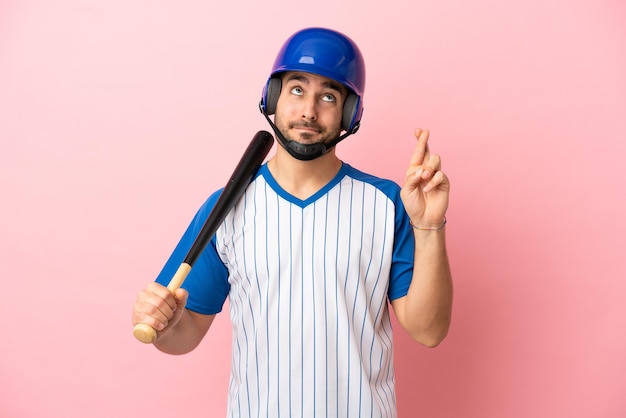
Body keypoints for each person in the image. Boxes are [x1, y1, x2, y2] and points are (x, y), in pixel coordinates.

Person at [132, 27, 453, 417]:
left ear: (350, 114)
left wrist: (429, 226)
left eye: (329, 96)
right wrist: (165, 324)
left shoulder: (389, 203)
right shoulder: (225, 208)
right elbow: (184, 336)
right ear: (273, 97)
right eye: (297, 90)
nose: (309, 110)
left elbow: (429, 331)